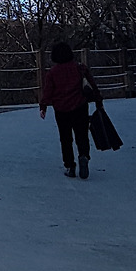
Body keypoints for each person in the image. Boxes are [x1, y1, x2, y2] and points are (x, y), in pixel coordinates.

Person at [39, 41, 102, 180]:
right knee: (82, 135)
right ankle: (84, 156)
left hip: (61, 109)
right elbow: (92, 84)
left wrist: (43, 107)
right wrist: (98, 100)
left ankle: (70, 166)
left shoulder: (52, 73)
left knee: (65, 138)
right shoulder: (80, 68)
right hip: (80, 106)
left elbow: (48, 91)